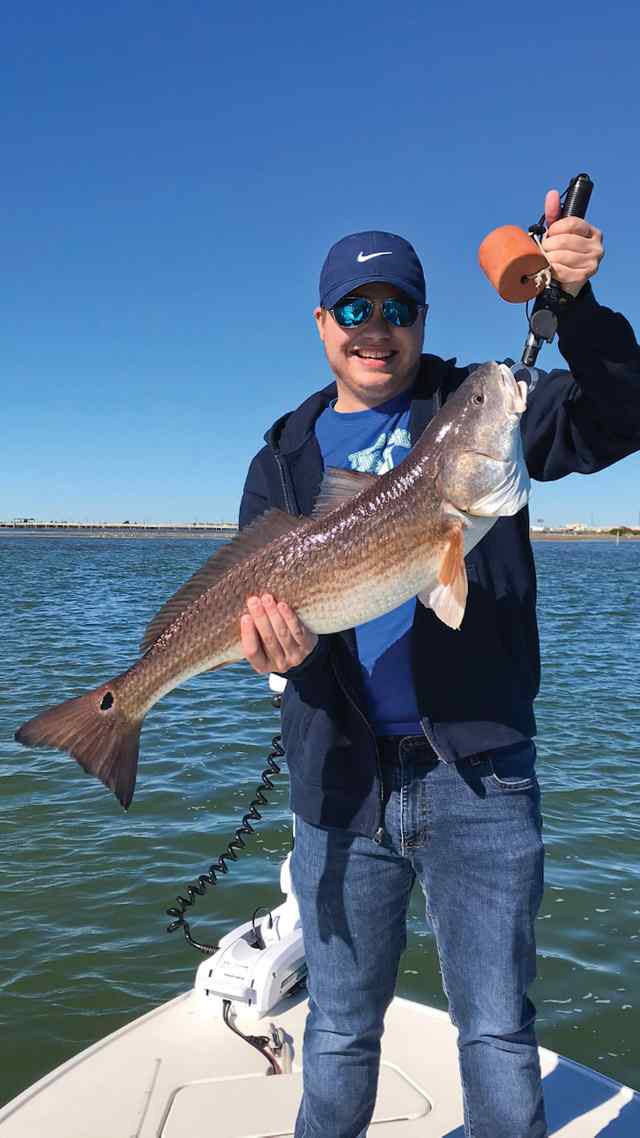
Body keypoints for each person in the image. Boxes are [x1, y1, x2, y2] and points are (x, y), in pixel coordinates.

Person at [237, 193, 640, 1138]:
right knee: (336, 1031)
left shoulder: (479, 405)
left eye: (398, 310)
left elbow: (622, 411)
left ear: (423, 320)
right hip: (340, 782)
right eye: (355, 310)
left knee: (497, 1030)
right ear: (323, 323)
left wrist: (573, 303)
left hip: (481, 775)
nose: (376, 331)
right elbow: (263, 601)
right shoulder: (283, 457)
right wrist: (280, 657)